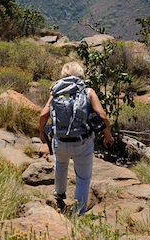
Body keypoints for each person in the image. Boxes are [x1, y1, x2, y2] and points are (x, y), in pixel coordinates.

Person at [38, 62, 113, 215]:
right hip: (82, 142)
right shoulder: (88, 91)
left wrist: (42, 136)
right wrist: (108, 136)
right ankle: (79, 212)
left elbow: (43, 114)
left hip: (60, 140)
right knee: (83, 178)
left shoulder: (56, 91)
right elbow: (102, 116)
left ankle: (59, 195)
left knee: (61, 164)